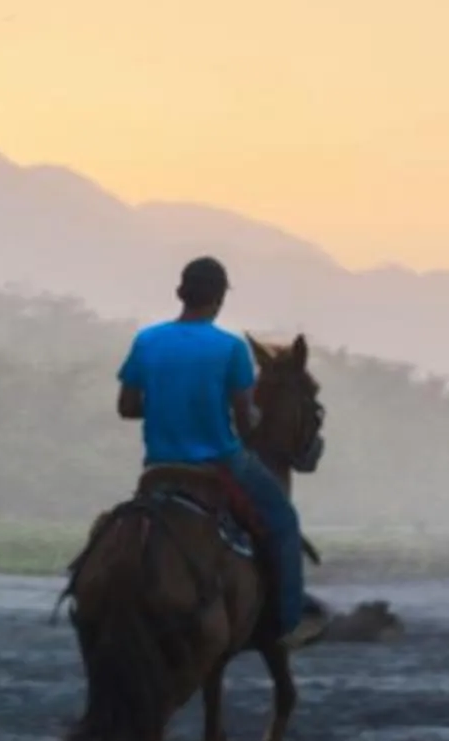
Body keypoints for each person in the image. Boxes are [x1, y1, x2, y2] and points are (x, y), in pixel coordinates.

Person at [114, 255, 323, 648]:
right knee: (283, 522)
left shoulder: (147, 341)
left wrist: (167, 403)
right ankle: (288, 622)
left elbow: (126, 407)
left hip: (159, 465)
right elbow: (247, 425)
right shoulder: (229, 348)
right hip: (219, 462)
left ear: (180, 293)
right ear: (220, 300)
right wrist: (241, 411)